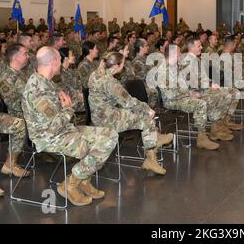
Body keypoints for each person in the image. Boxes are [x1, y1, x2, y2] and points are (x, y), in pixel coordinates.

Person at [21, 46, 118, 206]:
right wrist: (68, 109)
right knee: (102, 144)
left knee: (111, 134)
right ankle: (71, 184)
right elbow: (52, 127)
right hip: (49, 138)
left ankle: (84, 181)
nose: (61, 63)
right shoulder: (37, 90)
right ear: (53, 61)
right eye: (59, 60)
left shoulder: (47, 82)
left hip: (64, 131)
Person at [88, 52, 173, 175]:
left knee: (142, 116)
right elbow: (128, 101)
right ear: (117, 66)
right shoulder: (110, 82)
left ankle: (154, 142)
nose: (125, 66)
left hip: (100, 115)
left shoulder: (95, 74)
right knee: (146, 116)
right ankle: (152, 155)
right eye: (123, 64)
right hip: (107, 119)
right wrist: (147, 108)